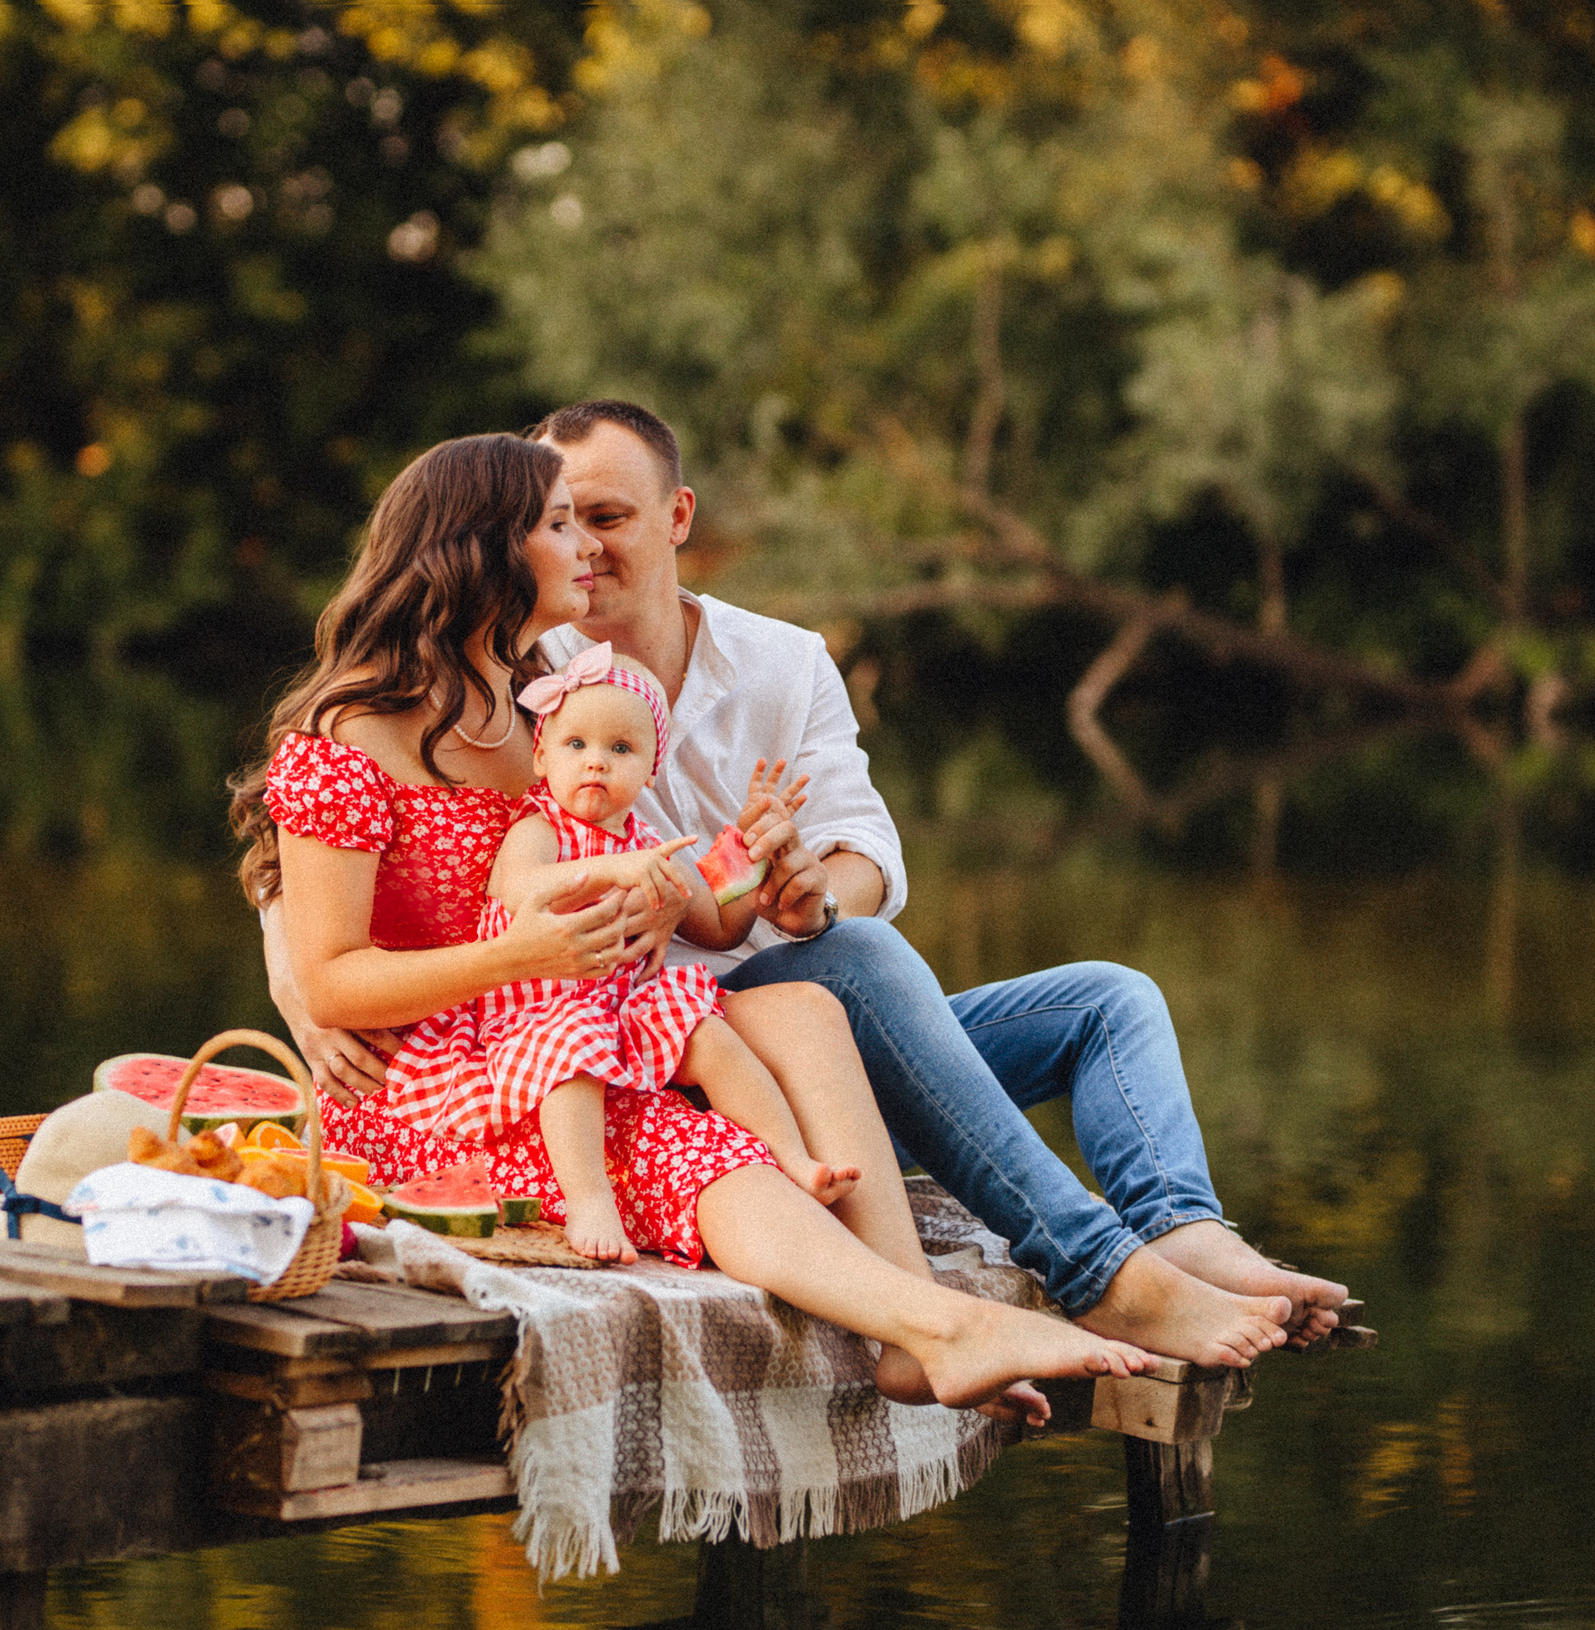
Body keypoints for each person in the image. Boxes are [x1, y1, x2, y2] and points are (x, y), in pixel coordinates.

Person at [233, 431, 1152, 1416]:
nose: (584, 545)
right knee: (698, 1138)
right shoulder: (351, 736)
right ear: (485, 550)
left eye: (596, 519)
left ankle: (923, 1328)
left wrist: (737, 863)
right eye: (556, 524)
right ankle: (951, 1324)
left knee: (765, 1067)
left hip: (574, 1025)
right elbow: (331, 975)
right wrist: (517, 952)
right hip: (436, 1079)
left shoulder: (546, 704)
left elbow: (641, 860)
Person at [375, 639, 858, 1262]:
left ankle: (791, 1157)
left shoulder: (646, 839)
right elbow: (517, 890)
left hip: (621, 1003)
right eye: (577, 746)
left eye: (620, 749)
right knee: (570, 1056)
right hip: (533, 1012)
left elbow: (717, 923)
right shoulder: (539, 826)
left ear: (650, 769)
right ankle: (589, 1199)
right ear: (542, 754)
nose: (596, 764)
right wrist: (613, 871)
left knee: (710, 1035)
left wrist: (747, 845)